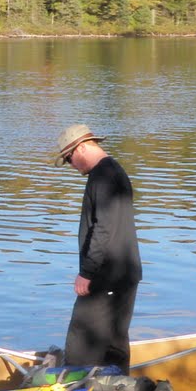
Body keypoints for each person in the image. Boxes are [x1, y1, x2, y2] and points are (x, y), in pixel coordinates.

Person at [53, 123, 142, 373]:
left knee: (81, 339)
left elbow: (103, 227)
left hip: (107, 276)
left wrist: (87, 273)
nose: (71, 165)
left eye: (69, 158)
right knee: (115, 341)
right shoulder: (115, 171)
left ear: (81, 148)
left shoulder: (102, 176)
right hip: (126, 274)